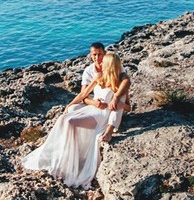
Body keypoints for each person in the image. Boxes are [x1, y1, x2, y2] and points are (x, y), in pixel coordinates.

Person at [22, 53, 130, 188]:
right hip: (93, 109)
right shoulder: (100, 77)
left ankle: (68, 160)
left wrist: (118, 106)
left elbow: (127, 107)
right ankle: (64, 154)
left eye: (104, 62)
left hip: (103, 115)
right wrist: (70, 104)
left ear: (110, 65)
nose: (100, 63)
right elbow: (83, 94)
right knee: (63, 118)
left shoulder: (121, 84)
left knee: (70, 122)